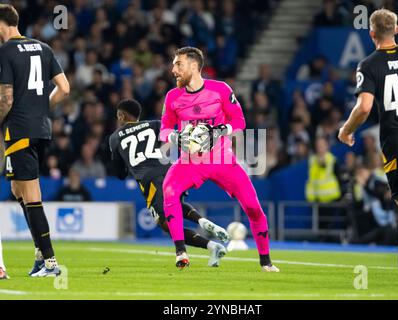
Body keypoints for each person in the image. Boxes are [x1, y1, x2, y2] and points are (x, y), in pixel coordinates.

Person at [160, 46, 279, 271]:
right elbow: (164, 129)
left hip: (223, 161)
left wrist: (220, 130)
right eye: (174, 64)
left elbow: (239, 121)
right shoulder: (173, 96)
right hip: (190, 162)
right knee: (169, 190)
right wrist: (175, 136)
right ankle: (180, 252)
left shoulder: (220, 90)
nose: (173, 69)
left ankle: (266, 262)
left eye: (178, 64)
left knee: (253, 208)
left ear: (194, 66)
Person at [338, 9, 398, 260]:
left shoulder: (369, 65)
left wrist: (346, 130)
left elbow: (364, 107)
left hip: (397, 146)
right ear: (397, 30)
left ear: (372, 33)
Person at [109, 99, 229, 267]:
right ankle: (209, 239)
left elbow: (119, 174)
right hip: (169, 171)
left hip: (148, 179)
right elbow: (177, 140)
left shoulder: (115, 138)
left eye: (118, 116)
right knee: (176, 206)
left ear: (121, 115)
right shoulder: (155, 125)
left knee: (166, 223)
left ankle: (181, 254)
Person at [0, 4, 70, 277]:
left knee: (31, 195)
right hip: (40, 128)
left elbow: (5, 99)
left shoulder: (4, 52)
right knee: (19, 190)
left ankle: (50, 263)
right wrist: (41, 109)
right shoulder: (44, 47)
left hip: (18, 130)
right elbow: (64, 88)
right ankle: (41, 254)